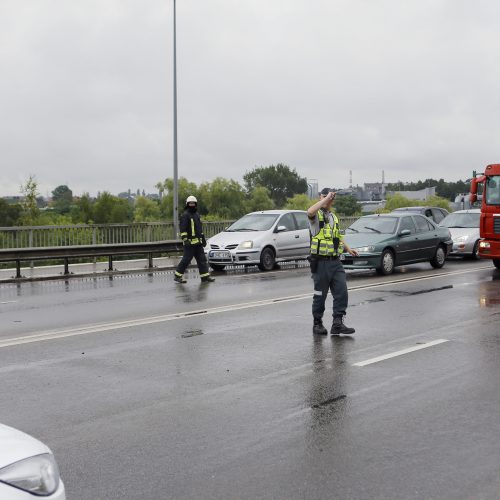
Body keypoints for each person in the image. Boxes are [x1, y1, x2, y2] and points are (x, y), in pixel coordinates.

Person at [307, 188, 358, 335]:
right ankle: (317, 323)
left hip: (335, 262)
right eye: (324, 196)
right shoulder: (316, 216)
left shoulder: (334, 217)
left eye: (330, 197)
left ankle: (337, 323)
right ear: (320, 197)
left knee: (342, 292)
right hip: (320, 263)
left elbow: (337, 236)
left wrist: (348, 249)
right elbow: (309, 211)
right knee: (319, 295)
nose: (328, 199)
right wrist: (325, 198)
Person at [174, 195, 215, 284]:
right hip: (189, 244)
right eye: (190, 203)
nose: (192, 205)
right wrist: (185, 240)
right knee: (186, 260)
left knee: (202, 260)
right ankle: (177, 276)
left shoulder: (196, 215)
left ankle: (205, 277)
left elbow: (199, 228)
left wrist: (203, 239)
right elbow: (183, 229)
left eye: (193, 203)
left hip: (198, 243)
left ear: (196, 204)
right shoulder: (185, 215)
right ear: (187, 204)